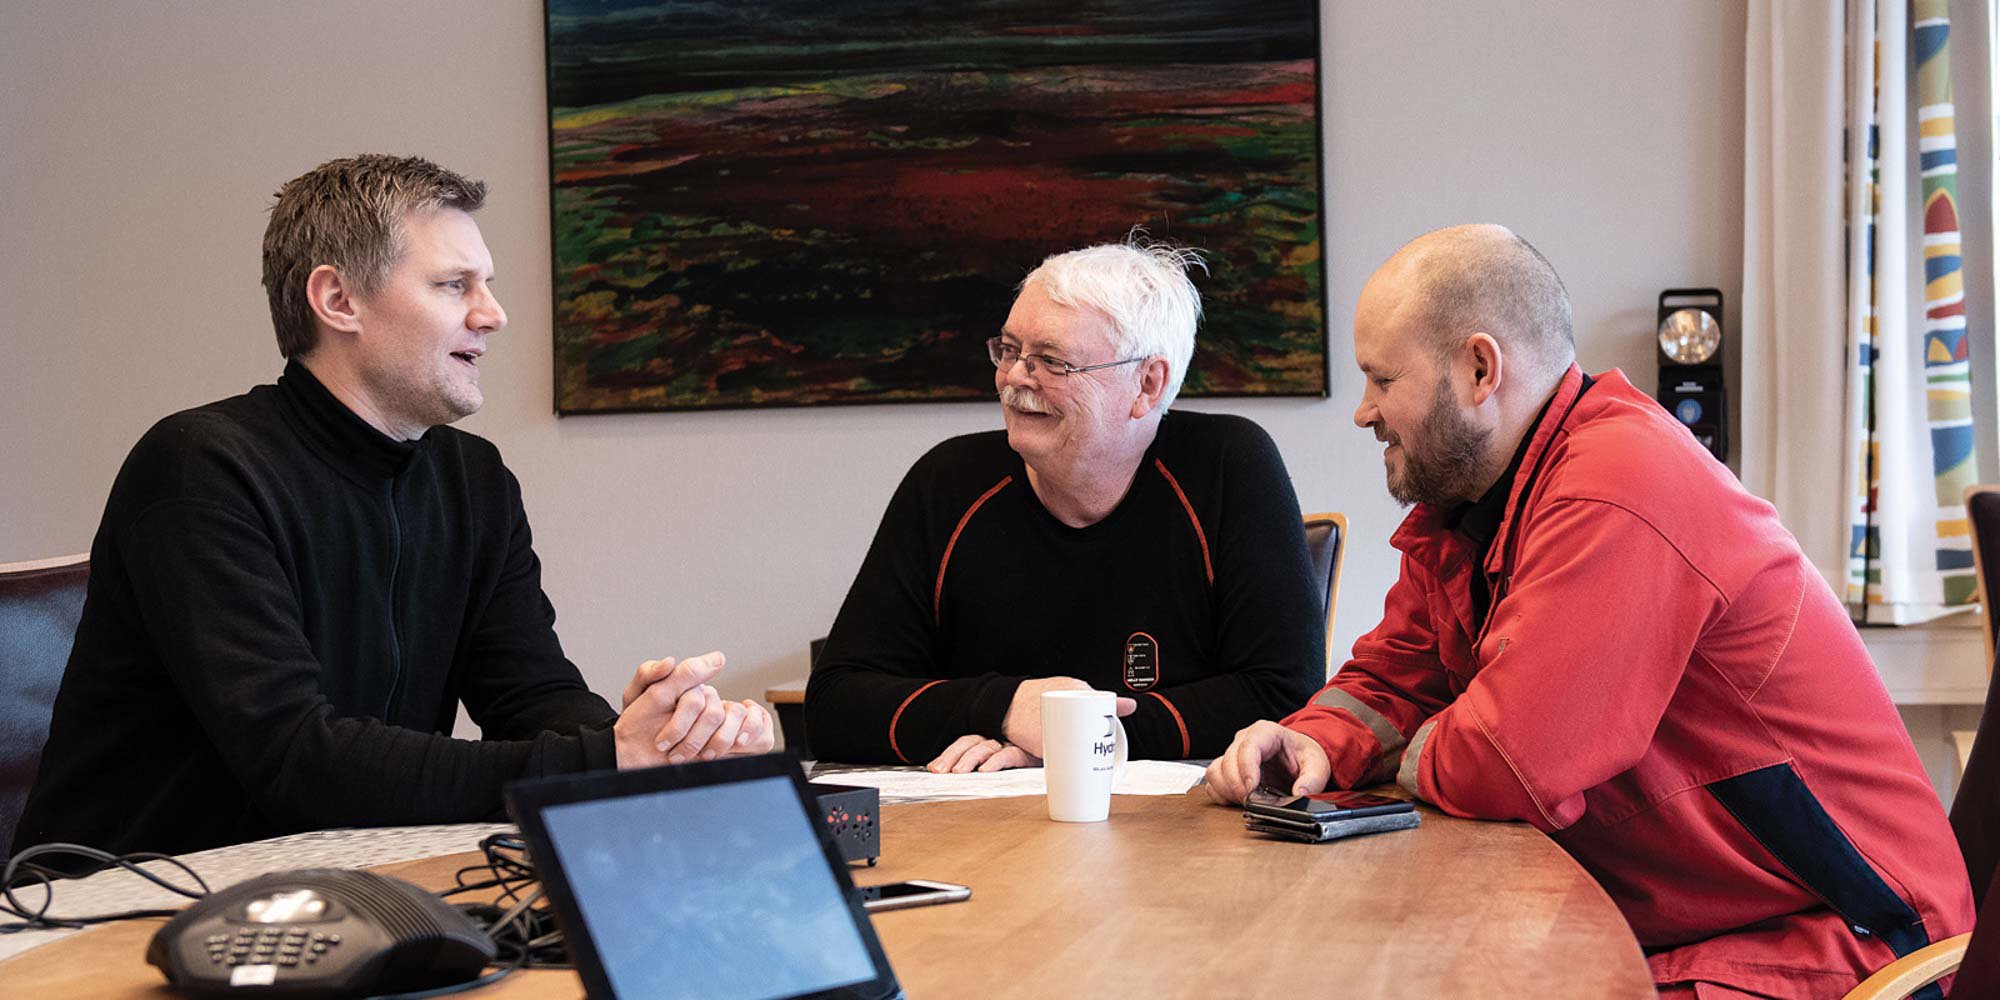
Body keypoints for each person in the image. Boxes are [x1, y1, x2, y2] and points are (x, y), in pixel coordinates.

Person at [1204, 224, 1974, 998]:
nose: (1364, 412)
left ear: (1479, 369)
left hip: (1855, 940)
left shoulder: (1620, 484)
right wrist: (1313, 741)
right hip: (1702, 924)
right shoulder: (1471, 508)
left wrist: (1409, 749)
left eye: (1381, 379)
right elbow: (1395, 678)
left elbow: (1510, 762)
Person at [12, 155, 772, 861]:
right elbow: (297, 760)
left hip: (346, 878)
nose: (493, 314)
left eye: (487, 284)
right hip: (123, 903)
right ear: (338, 300)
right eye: (454, 285)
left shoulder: (473, 479)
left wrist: (656, 739)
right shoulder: (200, 467)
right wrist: (605, 757)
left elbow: (530, 693)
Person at [805, 241, 1322, 772]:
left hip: (1180, 818)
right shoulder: (946, 483)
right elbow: (833, 706)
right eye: (1009, 351)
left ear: (1148, 384)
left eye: (1051, 361)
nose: (1014, 378)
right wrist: (1007, 707)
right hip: (984, 817)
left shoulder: (1228, 466)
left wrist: (1082, 738)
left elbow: (1285, 697)